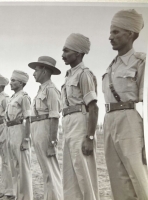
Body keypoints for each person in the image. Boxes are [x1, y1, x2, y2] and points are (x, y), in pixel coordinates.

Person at [102, 9, 148, 199]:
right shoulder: (111, 66)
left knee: (137, 172)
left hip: (130, 119)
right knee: (116, 175)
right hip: (109, 119)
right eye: (111, 32)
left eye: (115, 32)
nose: (110, 37)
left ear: (130, 33)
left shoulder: (141, 62)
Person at [61, 33, 99, 200]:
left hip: (80, 122)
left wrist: (89, 137)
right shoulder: (69, 75)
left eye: (66, 51)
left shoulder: (84, 74)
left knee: (84, 172)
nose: (62, 55)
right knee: (70, 173)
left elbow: (93, 107)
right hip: (68, 123)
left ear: (78, 53)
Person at [28, 56, 63, 200]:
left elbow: (54, 116)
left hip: (46, 130)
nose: (33, 73)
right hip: (37, 129)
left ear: (44, 70)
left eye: (36, 70)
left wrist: (52, 142)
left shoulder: (51, 90)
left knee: (51, 170)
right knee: (45, 171)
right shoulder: (41, 90)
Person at [5, 70, 33, 200]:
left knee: (23, 168)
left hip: (20, 131)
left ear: (21, 83)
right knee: (14, 167)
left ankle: (26, 197)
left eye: (13, 80)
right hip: (11, 131)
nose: (10, 83)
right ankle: (18, 196)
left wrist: (26, 139)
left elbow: (28, 119)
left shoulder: (24, 97)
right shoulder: (12, 97)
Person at [0, 73, 14, 199]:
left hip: (4, 128)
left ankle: (10, 191)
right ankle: (5, 189)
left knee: (7, 161)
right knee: (3, 161)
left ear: (0, 85)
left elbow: (8, 115)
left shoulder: (5, 98)